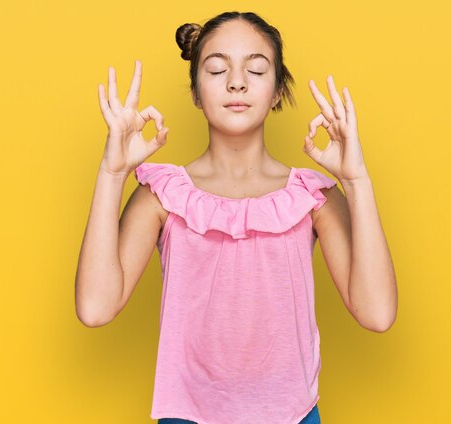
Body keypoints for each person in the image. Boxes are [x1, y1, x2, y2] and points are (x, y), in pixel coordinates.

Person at [75, 10, 397, 424]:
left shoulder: (310, 197)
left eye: (257, 70)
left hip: (293, 416)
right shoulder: (162, 195)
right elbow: (94, 308)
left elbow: (378, 313)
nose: (237, 82)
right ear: (194, 90)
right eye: (216, 69)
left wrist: (357, 181)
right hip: (188, 417)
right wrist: (112, 173)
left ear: (279, 90)